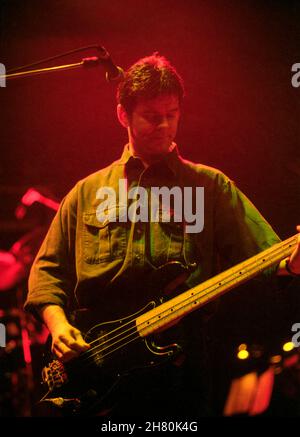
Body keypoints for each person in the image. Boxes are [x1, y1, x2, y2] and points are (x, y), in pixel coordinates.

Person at [24, 53, 300, 417]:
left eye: (172, 115)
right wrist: (58, 327)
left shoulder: (210, 186)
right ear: (123, 114)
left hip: (179, 367)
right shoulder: (86, 192)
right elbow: (47, 272)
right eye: (153, 117)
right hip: (94, 366)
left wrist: (292, 263)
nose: (165, 126)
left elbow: (269, 256)